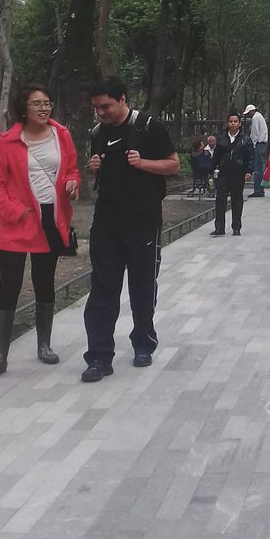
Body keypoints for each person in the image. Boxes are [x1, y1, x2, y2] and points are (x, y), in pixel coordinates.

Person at [82, 77, 180, 382]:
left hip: (143, 220)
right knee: (102, 289)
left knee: (142, 286)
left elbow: (173, 164)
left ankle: (143, 343)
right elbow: (98, 170)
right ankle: (99, 356)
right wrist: (93, 166)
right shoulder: (98, 133)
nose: (100, 113)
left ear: (123, 99)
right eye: (96, 107)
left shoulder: (149, 127)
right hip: (107, 221)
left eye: (106, 106)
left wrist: (143, 163)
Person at [0, 83, 80, 380]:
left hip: (51, 219)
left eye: (47, 103)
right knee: (9, 285)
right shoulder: (9, 141)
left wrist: (72, 182)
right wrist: (16, 211)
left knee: (44, 280)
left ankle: (44, 345)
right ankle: (0, 356)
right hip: (18, 222)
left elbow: (73, 168)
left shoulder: (61, 135)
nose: (43, 108)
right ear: (24, 108)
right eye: (37, 103)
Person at [211, 111, 255, 235]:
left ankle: (236, 227)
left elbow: (251, 156)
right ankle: (219, 228)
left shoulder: (245, 139)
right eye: (231, 121)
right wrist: (212, 168)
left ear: (239, 123)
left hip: (238, 173)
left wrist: (249, 171)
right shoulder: (221, 138)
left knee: (237, 200)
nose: (233, 123)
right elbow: (216, 156)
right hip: (224, 173)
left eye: (235, 121)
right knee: (220, 200)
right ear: (227, 123)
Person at [244, 103, 268, 197]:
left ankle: (258, 190)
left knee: (257, 168)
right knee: (259, 167)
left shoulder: (255, 118)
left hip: (258, 144)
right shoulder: (260, 116)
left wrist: (252, 144)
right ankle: (260, 189)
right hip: (262, 143)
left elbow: (254, 133)